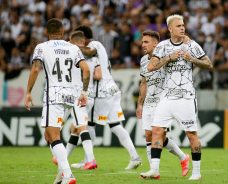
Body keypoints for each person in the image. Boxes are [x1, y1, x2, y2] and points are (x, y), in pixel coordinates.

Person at [140, 14, 213, 180]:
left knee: (191, 134)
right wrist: (168, 58)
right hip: (167, 97)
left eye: (183, 25)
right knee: (156, 131)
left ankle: (196, 173)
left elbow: (208, 64)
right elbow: (151, 66)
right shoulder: (163, 46)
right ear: (170, 29)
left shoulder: (192, 45)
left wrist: (193, 59)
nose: (182, 28)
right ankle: (155, 169)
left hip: (186, 97)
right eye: (178, 25)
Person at [24, 18, 90, 184]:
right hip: (70, 97)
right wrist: (84, 92)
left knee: (53, 136)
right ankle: (62, 175)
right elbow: (86, 69)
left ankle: (68, 175)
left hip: (53, 95)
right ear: (62, 33)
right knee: (49, 135)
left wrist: (28, 92)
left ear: (46, 32)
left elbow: (35, 69)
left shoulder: (41, 47)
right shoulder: (73, 48)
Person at [70, 25, 142, 170]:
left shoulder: (94, 45)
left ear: (82, 38)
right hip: (112, 90)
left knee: (89, 124)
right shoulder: (100, 50)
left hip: (101, 93)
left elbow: (90, 53)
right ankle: (134, 157)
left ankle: (88, 160)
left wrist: (73, 48)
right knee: (115, 125)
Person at [136, 30, 190, 179]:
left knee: (157, 134)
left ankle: (154, 170)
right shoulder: (143, 60)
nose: (143, 45)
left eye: (146, 42)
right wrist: (140, 103)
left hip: (163, 101)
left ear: (155, 43)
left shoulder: (168, 54)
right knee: (150, 135)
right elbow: (144, 82)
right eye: (142, 42)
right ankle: (182, 157)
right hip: (149, 103)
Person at [53, 30, 99, 170]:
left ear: (72, 41)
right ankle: (63, 158)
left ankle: (90, 159)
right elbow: (92, 51)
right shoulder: (92, 55)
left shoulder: (71, 51)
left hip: (79, 94)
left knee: (81, 126)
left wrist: (69, 45)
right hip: (90, 95)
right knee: (75, 128)